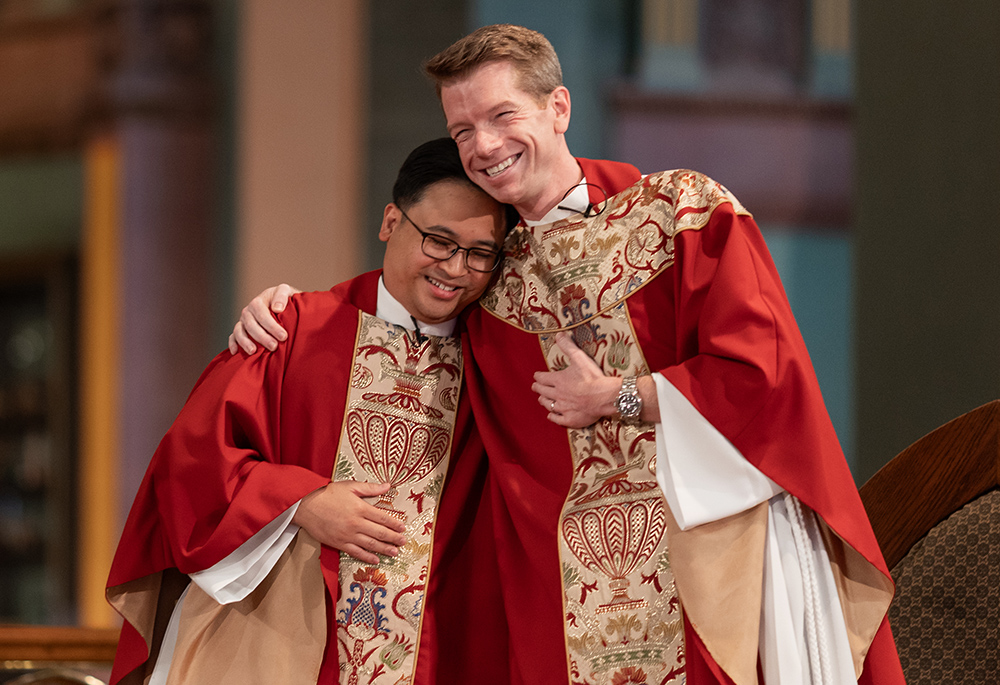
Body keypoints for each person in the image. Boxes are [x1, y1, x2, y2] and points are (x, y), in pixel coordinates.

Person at [231, 25, 906, 685]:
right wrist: (295, 308)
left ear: (559, 108)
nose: (484, 146)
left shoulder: (680, 214)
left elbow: (763, 373)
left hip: (712, 557)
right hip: (559, 597)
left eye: (502, 115)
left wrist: (621, 396)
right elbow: (405, 332)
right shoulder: (488, 277)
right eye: (463, 130)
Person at [105, 138, 512, 685]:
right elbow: (189, 463)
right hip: (273, 639)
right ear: (391, 221)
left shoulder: (495, 365)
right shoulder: (295, 329)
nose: (456, 269)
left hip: (432, 650)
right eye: (439, 241)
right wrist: (300, 502)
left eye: (480, 253)